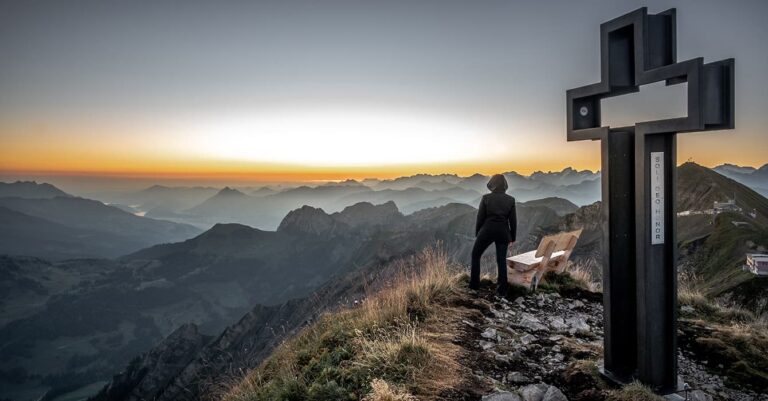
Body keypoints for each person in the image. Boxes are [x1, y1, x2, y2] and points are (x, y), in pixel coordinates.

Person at [470, 174, 517, 296]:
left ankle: (474, 286)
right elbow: (513, 221)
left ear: (492, 184)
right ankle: (502, 289)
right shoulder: (511, 200)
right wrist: (512, 237)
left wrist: (478, 233)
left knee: (475, 255)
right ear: (505, 185)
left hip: (487, 230)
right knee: (501, 260)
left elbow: (480, 217)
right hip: (503, 232)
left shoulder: (486, 198)